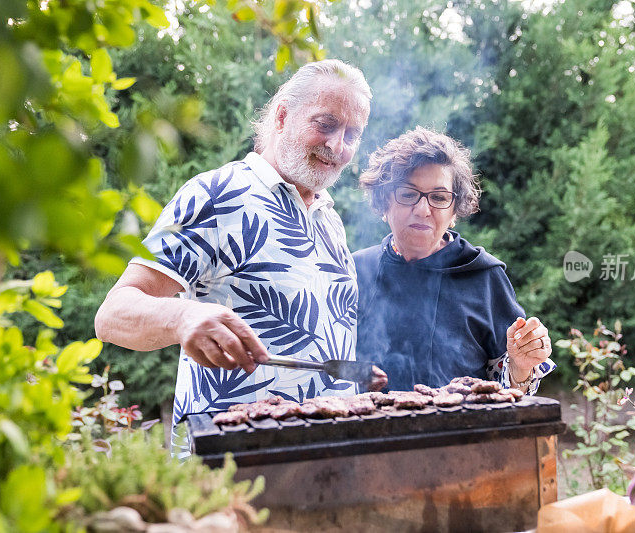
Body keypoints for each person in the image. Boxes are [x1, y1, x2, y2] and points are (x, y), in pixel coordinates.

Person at [95, 59, 381, 457]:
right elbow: (112, 315)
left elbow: (310, 347)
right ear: (283, 115)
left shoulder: (328, 218)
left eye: (352, 134)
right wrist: (182, 318)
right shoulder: (216, 195)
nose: (337, 146)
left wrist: (353, 374)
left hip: (324, 464)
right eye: (326, 123)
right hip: (230, 466)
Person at [354, 127, 555, 394]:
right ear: (384, 202)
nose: (423, 210)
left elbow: (509, 386)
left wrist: (521, 365)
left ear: (454, 211)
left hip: (462, 433)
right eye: (407, 194)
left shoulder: (484, 276)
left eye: (439, 197)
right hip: (367, 432)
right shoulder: (355, 271)